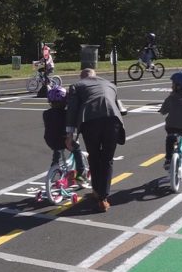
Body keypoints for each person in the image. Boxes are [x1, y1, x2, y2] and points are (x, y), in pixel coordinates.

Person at [66, 68, 126, 213]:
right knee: (107, 159)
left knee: (94, 156)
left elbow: (72, 109)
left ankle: (97, 191)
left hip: (90, 121)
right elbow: (119, 106)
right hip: (113, 121)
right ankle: (103, 198)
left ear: (82, 77)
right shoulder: (110, 84)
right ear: (95, 75)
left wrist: (69, 134)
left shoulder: (77, 86)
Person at [43, 86, 88, 184]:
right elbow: (72, 123)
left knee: (57, 148)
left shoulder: (46, 113)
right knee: (76, 149)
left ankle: (54, 164)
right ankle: (81, 173)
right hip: (63, 140)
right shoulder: (66, 114)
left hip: (50, 140)